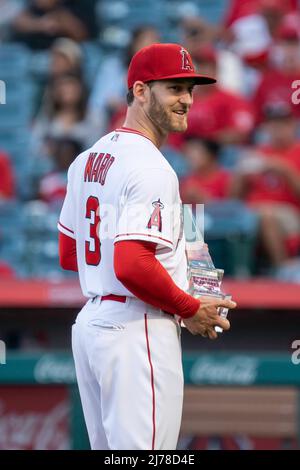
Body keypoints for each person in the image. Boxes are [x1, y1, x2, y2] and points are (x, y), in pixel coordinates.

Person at [58, 43, 236, 450]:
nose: (187, 100)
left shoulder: (87, 158)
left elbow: (71, 255)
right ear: (140, 91)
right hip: (137, 327)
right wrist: (190, 307)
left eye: (190, 89)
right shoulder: (151, 167)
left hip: (93, 327)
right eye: (174, 88)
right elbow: (132, 264)